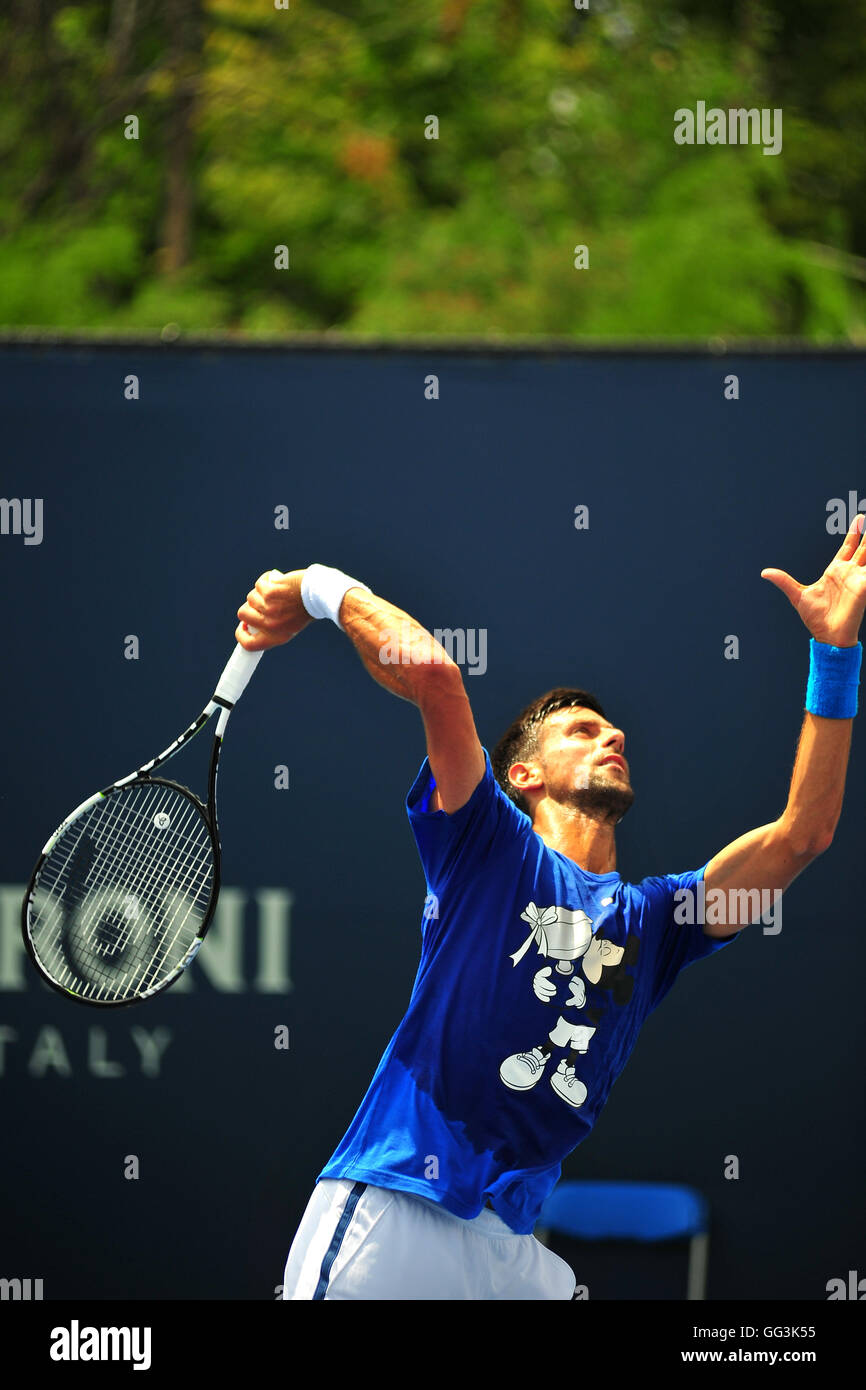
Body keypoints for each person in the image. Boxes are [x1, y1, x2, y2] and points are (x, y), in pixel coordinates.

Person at [236, 517, 864, 1301]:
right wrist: (314, 586)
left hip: (513, 1247)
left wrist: (835, 654)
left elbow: (805, 834)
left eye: (612, 728)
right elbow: (433, 674)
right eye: (582, 730)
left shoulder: (657, 924)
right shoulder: (485, 842)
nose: (615, 735)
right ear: (523, 776)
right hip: (397, 1213)